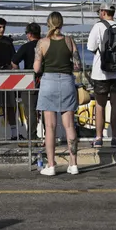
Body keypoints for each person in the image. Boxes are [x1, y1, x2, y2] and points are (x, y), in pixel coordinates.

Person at [34, 11, 83, 176]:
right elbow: (77, 66)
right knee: (69, 125)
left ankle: (51, 165)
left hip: (48, 83)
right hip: (67, 83)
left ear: (48, 24)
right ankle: (74, 164)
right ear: (61, 24)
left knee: (50, 127)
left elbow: (36, 68)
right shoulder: (69, 41)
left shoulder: (42, 42)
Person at [87, 5, 116, 148]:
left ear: (103, 12)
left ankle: (99, 138)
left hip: (101, 73)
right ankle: (115, 137)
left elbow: (90, 47)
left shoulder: (98, 27)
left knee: (100, 105)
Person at [12, 22, 42, 140]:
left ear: (29, 34)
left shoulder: (26, 47)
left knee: (31, 110)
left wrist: (21, 74)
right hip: (47, 80)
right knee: (47, 110)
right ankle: (49, 135)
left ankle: (32, 136)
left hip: (30, 81)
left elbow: (14, 62)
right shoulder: (46, 44)